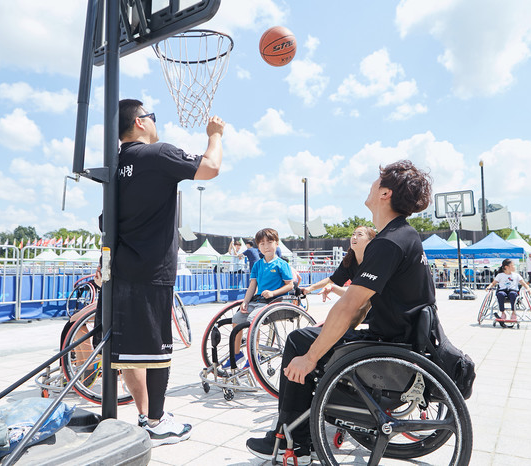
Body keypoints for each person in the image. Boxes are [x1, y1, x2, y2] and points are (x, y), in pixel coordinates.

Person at [246, 160, 435, 464]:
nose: (371, 184)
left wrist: (310, 357)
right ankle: (302, 428)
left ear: (385, 193)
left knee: (299, 342)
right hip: (403, 338)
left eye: (377, 181)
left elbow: (349, 305)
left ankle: (295, 441)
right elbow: (363, 304)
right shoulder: (406, 235)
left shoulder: (388, 243)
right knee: (316, 336)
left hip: (387, 345)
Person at [111, 99, 224, 446]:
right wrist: (215, 135)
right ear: (140, 122)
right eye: (152, 116)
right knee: (157, 351)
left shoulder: (115, 164)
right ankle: (157, 421)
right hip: (152, 269)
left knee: (128, 352)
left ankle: (145, 415)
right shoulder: (157, 154)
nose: (155, 122)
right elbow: (210, 168)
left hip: (120, 268)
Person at [226, 228, 294, 368]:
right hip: (259, 300)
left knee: (253, 320)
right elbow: (252, 285)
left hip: (274, 301)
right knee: (237, 319)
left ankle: (254, 355)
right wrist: (245, 301)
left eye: (269, 242)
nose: (266, 246)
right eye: (262, 244)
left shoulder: (282, 264)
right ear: (258, 246)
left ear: (276, 243)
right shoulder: (257, 265)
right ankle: (237, 354)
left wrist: (273, 293)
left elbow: (290, 285)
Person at [301, 226, 377, 303]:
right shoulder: (349, 261)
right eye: (353, 234)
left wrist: (333, 288)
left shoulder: (376, 261)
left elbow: (362, 294)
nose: (354, 237)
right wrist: (309, 289)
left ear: (370, 241)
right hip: (363, 302)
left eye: (360, 234)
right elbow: (332, 279)